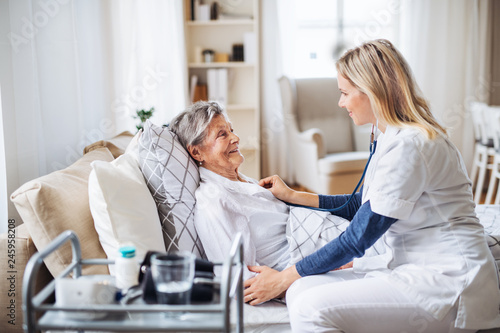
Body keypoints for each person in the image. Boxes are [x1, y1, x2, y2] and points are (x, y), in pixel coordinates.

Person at [243, 39, 500, 332]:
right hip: (410, 265)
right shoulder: (388, 134)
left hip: (447, 279)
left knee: (309, 306)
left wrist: (283, 276)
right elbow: (359, 204)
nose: (340, 103)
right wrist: (292, 195)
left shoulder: (411, 145)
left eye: (344, 93)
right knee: (301, 290)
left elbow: (358, 238)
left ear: (372, 92)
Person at [169, 101, 351, 281]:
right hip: (328, 256)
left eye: (231, 130)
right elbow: (238, 275)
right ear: (197, 152)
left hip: (339, 237)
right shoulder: (214, 201)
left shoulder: (243, 182)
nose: (235, 138)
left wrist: (290, 197)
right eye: (222, 134)